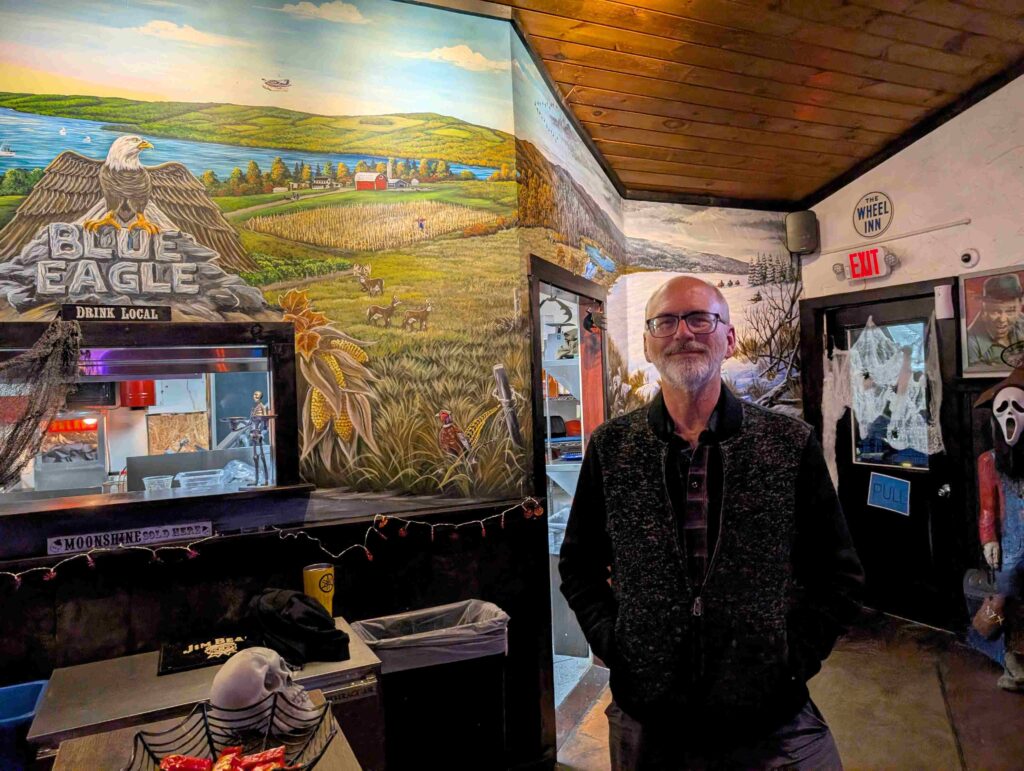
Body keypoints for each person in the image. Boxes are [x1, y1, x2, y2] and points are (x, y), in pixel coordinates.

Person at [559, 276, 864, 769]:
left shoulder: (788, 443)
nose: (683, 332)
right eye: (666, 321)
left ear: (730, 338)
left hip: (770, 717)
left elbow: (839, 574)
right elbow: (579, 566)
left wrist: (791, 661)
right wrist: (619, 646)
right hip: (648, 717)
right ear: (648, 344)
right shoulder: (612, 448)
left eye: (700, 318)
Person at [966, 274, 1024, 367]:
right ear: (984, 310)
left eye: (1010, 311)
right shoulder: (970, 343)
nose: (1002, 319)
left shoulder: (1022, 321)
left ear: (1020, 306)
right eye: (995, 311)